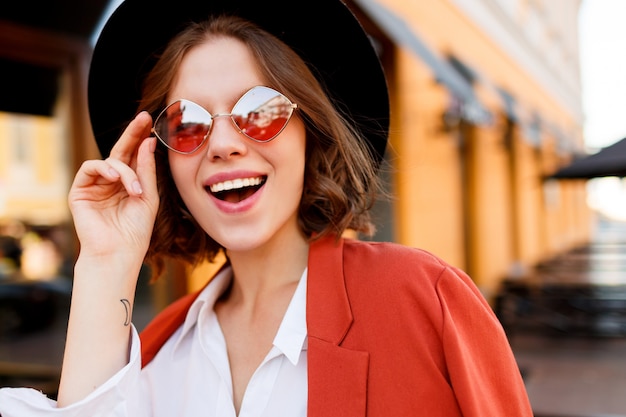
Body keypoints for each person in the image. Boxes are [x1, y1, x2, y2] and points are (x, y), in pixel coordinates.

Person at [0, 0, 533, 415]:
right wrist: (104, 264)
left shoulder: (423, 299)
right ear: (162, 161)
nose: (223, 144)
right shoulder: (159, 350)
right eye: (187, 121)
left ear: (310, 133)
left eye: (259, 109)